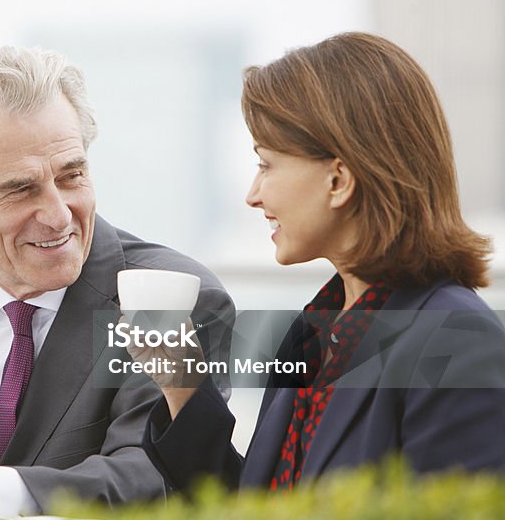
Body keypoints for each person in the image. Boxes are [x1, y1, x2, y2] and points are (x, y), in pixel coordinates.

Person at [0, 46, 235, 519]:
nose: (59, 215)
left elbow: (161, 477)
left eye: (72, 175)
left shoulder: (173, 296)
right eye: (21, 189)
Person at [133, 32, 505, 493]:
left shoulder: (458, 340)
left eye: (266, 165)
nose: (253, 195)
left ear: (339, 180)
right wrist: (182, 384)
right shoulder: (312, 335)